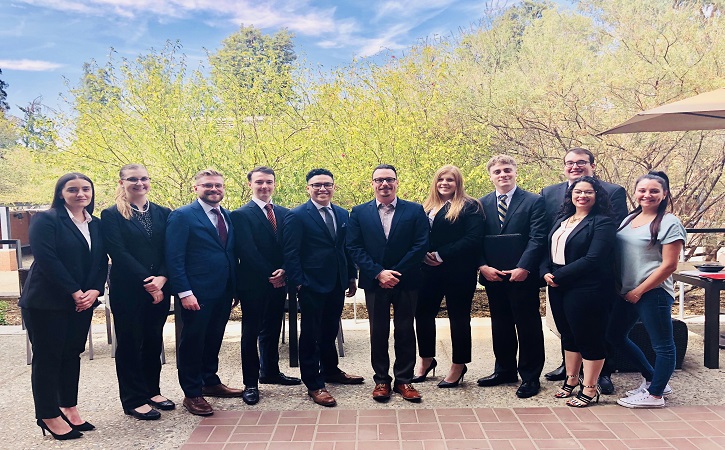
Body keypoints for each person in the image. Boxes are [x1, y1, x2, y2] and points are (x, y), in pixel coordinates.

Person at [20, 173, 108, 440]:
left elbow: (100, 260)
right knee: (48, 358)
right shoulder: (46, 220)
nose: (81, 194)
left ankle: (68, 407)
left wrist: (94, 290)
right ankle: (47, 415)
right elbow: (47, 259)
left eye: (85, 189)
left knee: (72, 354)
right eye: (73, 189)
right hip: (48, 302)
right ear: (61, 193)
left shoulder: (95, 224)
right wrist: (75, 291)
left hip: (83, 302)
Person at [541, 147, 628, 395]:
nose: (575, 167)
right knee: (568, 333)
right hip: (559, 281)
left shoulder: (609, 201)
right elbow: (548, 241)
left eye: (581, 162)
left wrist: (559, 275)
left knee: (592, 334)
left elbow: (603, 249)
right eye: (570, 162)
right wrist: (545, 271)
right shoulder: (556, 203)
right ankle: (571, 378)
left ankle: (596, 381)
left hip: (589, 282)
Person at [347, 164, 429, 402]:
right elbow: (354, 247)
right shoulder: (359, 212)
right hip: (374, 282)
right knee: (378, 331)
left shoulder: (414, 210)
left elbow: (420, 244)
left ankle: (405, 380)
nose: (384, 184)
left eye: (389, 179)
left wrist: (395, 274)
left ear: (397, 182)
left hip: (407, 281)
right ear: (372, 184)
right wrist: (379, 273)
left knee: (405, 330)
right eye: (379, 180)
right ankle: (381, 379)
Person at [282, 168, 364, 407]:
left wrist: (351, 276)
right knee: (310, 334)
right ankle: (314, 383)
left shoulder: (341, 213)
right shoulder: (297, 215)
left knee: (329, 331)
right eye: (316, 185)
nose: (322, 189)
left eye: (327, 184)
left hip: (337, 282)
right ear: (308, 188)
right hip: (310, 285)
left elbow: (346, 248)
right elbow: (291, 252)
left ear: (333, 187)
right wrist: (298, 282)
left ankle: (331, 370)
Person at [166, 168, 242, 416]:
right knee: (193, 342)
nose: (214, 189)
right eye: (208, 185)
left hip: (223, 290)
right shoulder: (182, 216)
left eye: (218, 185)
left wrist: (235, 287)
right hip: (196, 293)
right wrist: (184, 292)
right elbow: (174, 258)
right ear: (196, 188)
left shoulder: (226, 215)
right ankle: (192, 393)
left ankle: (210, 382)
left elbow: (228, 252)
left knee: (213, 338)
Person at [101, 164, 174, 420]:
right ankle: (133, 398)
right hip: (129, 289)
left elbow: (170, 250)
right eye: (133, 179)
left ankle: (152, 390)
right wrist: (148, 281)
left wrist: (163, 279)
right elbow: (118, 253)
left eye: (143, 179)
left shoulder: (164, 212)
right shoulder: (111, 215)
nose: (139, 183)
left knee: (153, 340)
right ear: (121, 182)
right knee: (131, 343)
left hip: (161, 288)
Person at [611, 171, 685, 408]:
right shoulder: (629, 219)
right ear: (635, 192)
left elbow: (669, 265)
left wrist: (639, 291)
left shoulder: (669, 222)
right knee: (613, 336)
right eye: (642, 190)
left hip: (652, 292)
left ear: (664, 194)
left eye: (654, 191)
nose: (647, 195)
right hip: (627, 292)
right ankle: (654, 378)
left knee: (663, 345)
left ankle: (655, 395)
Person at [476, 155, 547, 399]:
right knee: (501, 325)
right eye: (497, 171)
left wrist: (524, 266)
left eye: (507, 170)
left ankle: (530, 376)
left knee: (528, 326)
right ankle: (504, 370)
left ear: (515, 172)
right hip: (493, 276)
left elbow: (538, 237)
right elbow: (475, 239)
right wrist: (482, 266)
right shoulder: (481, 204)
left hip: (522, 276)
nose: (503, 175)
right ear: (490, 176)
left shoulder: (535, 201)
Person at [230, 166, 301, 406]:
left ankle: (270, 372)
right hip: (253, 283)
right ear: (250, 184)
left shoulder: (284, 213)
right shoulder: (240, 214)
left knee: (272, 328)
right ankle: (250, 382)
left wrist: (285, 270)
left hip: (280, 282)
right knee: (251, 333)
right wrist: (271, 273)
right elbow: (246, 250)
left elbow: (291, 247)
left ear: (274, 184)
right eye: (259, 182)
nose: (264, 186)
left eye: (269, 182)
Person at [412, 165, 485, 388]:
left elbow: (473, 238)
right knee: (422, 314)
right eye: (440, 179)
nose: (444, 183)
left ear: (458, 183)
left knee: (459, 318)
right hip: (428, 270)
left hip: (458, 270)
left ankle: (458, 364)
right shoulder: (426, 207)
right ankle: (426, 359)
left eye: (450, 180)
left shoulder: (470, 206)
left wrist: (442, 254)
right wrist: (423, 254)